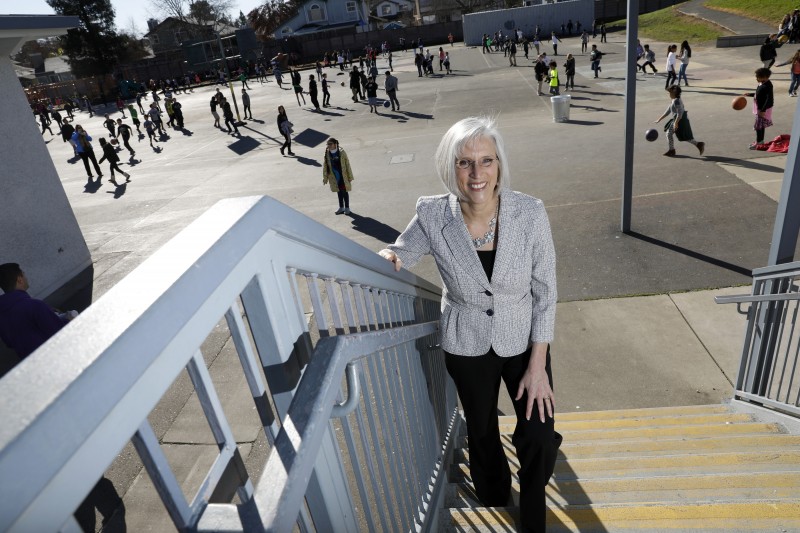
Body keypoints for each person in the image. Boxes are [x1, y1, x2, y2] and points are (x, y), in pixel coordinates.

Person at [377, 116, 559, 533]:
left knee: (539, 435)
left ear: (499, 164)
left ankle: (532, 520)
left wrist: (538, 365)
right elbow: (403, 248)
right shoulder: (432, 213)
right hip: (466, 341)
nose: (477, 174)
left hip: (524, 341)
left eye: (486, 161)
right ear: (451, 167)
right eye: (465, 163)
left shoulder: (530, 212)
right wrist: (391, 256)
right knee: (481, 430)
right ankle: (494, 494)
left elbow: (546, 291)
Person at [0, 263, 76, 360]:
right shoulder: (35, 306)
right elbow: (59, 332)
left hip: (29, 366)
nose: (26, 277)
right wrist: (69, 319)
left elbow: (9, 343)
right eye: (23, 274)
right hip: (54, 358)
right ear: (19, 279)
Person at [654, 85, 705, 157]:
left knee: (680, 136)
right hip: (677, 120)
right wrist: (659, 119)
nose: (668, 94)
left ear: (674, 93)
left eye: (669, 93)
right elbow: (668, 111)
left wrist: (676, 123)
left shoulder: (676, 101)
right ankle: (698, 144)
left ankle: (672, 150)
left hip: (680, 120)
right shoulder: (674, 100)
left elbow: (680, 113)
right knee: (675, 135)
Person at [744, 67, 775, 149]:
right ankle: (760, 141)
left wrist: (763, 110)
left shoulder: (768, 86)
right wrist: (750, 94)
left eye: (758, 77)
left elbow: (769, 99)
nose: (756, 78)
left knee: (759, 127)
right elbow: (759, 94)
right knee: (760, 126)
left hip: (763, 109)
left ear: (764, 77)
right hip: (760, 108)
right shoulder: (762, 83)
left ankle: (759, 143)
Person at [322, 138, 354, 215]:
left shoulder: (342, 152)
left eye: (330, 144)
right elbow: (325, 166)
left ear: (335, 144)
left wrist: (350, 176)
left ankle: (347, 207)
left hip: (343, 176)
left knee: (344, 191)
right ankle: (341, 207)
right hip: (334, 176)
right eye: (328, 144)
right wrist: (325, 178)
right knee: (338, 192)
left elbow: (347, 164)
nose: (328, 146)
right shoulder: (327, 153)